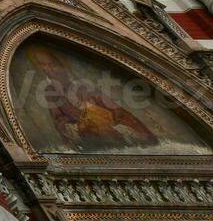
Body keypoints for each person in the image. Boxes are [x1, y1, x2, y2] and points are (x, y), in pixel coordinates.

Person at [26, 43, 157, 151]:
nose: (49, 69)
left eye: (52, 64)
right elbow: (58, 119)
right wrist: (74, 126)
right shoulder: (51, 92)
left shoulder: (82, 84)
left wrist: (105, 114)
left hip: (113, 125)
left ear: (62, 65)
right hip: (89, 133)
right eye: (43, 66)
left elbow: (114, 108)